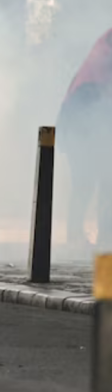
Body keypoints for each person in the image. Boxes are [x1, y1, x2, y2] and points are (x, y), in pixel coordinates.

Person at [58, 28, 112, 252]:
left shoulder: (103, 48)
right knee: (91, 181)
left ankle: (98, 238)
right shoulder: (104, 54)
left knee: (96, 181)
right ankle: (91, 238)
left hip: (82, 120)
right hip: (82, 122)